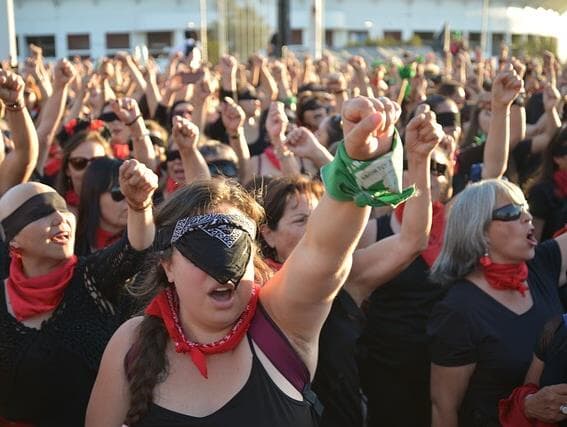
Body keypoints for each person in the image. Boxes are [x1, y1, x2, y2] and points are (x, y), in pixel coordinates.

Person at [85, 96, 408, 426]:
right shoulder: (132, 344)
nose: (224, 272)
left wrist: (357, 161)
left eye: (235, 250)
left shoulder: (282, 323)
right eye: (203, 251)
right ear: (168, 266)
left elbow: (324, 250)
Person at [257, 101, 444, 427]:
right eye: (302, 220)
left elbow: (411, 240)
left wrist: (418, 159)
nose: (317, 228)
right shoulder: (250, 287)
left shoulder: (347, 275)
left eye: (320, 218)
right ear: (267, 234)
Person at [0, 159, 157, 426]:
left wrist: (139, 205)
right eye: (40, 213)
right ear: (13, 239)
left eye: (63, 208)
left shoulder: (92, 277)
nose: (61, 218)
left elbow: (136, 251)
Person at [428, 179, 567, 427]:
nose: (527, 217)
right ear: (479, 230)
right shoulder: (458, 310)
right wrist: (526, 407)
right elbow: (444, 409)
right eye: (512, 212)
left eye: (525, 207)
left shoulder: (542, 265)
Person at [75, 157, 127, 255]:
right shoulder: (70, 244)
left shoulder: (150, 240)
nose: (130, 200)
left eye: (133, 191)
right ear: (94, 195)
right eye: (118, 193)